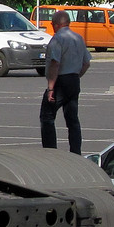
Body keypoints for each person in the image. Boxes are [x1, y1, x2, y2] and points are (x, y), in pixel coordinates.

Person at [40, 10, 92, 154]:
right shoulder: (78, 38)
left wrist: (51, 88)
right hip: (74, 80)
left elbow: (55, 63)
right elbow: (86, 63)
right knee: (72, 119)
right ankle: (76, 151)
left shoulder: (57, 39)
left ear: (56, 24)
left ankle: (50, 151)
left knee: (47, 116)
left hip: (60, 81)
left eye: (52, 24)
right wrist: (76, 76)